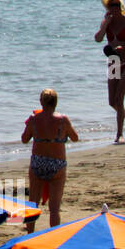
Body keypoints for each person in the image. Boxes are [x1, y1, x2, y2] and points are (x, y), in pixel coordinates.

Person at [21, 89, 79, 232]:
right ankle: (54, 236)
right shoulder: (63, 120)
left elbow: (24, 139)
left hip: (38, 163)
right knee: (54, 208)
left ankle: (29, 234)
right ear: (56, 102)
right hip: (57, 164)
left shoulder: (34, 119)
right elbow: (75, 137)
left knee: (33, 203)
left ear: (41, 102)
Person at [94, 0, 125, 142]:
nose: (113, 8)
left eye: (115, 5)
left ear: (121, 7)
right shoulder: (106, 22)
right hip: (114, 61)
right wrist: (105, 25)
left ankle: (119, 134)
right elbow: (98, 38)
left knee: (119, 98)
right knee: (112, 101)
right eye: (110, 6)